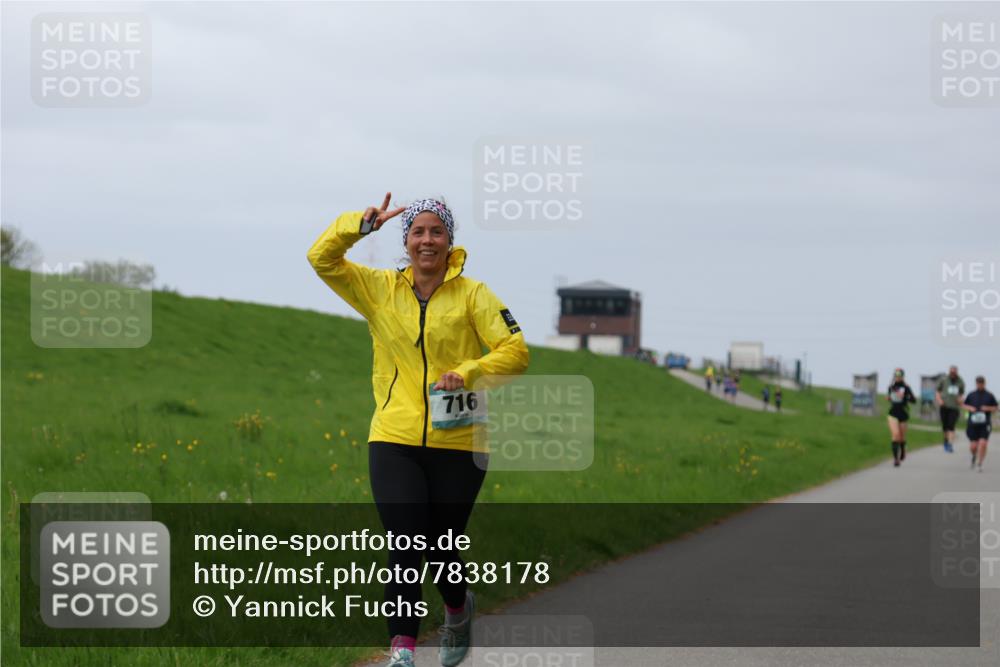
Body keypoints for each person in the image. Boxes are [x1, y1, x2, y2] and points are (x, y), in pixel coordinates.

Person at [308, 193, 530, 667]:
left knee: (440, 548)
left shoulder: (475, 294)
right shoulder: (378, 289)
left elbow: (516, 351)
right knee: (405, 544)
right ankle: (402, 651)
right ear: (406, 241)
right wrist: (359, 225)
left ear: (451, 242)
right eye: (418, 232)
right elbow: (321, 258)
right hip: (394, 437)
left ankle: (457, 608)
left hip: (461, 441)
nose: (427, 240)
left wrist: (468, 371)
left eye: (437, 232)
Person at [962, 375, 998, 472]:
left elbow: (996, 407)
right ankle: (974, 455)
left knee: (983, 443)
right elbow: (964, 405)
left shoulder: (989, 395)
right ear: (976, 383)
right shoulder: (971, 395)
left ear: (984, 383)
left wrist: (988, 408)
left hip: (985, 424)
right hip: (972, 424)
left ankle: (980, 463)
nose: (980, 385)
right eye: (978, 383)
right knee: (973, 446)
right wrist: (970, 408)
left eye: (981, 383)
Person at [886, 368, 916, 467]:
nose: (898, 377)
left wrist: (905, 396)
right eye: (896, 375)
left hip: (903, 413)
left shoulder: (906, 387)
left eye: (900, 376)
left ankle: (903, 449)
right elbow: (890, 397)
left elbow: (913, 400)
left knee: (902, 437)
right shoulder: (891, 387)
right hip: (893, 413)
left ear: (903, 376)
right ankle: (896, 459)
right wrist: (889, 398)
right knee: (895, 435)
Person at [935, 366, 965, 453]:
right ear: (949, 372)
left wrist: (960, 399)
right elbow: (937, 391)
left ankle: (950, 444)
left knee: (951, 426)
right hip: (944, 406)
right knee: (945, 426)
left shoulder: (960, 381)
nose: (952, 374)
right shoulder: (944, 380)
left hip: (954, 407)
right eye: (951, 372)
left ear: (956, 372)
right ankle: (946, 440)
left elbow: (961, 393)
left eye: (954, 372)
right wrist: (939, 400)